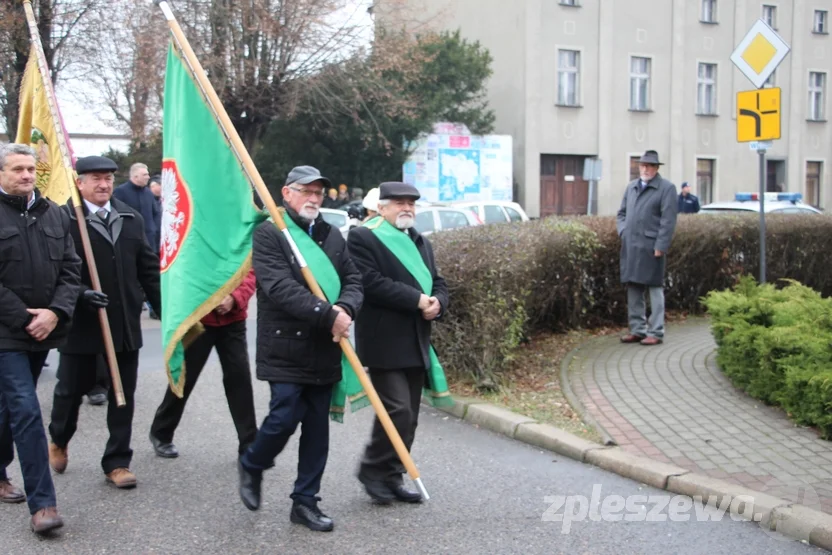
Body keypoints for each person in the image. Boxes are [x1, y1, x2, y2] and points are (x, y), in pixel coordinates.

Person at [237, 165, 362, 531]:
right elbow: (279, 288)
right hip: (285, 345)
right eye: (305, 191)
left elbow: (353, 280)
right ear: (286, 193)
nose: (313, 198)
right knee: (284, 415)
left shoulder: (333, 235)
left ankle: (305, 501)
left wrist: (347, 308)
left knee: (316, 428)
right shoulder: (270, 234)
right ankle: (253, 463)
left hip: (325, 346)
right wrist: (328, 314)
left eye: (318, 193)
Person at [47, 155, 162, 489]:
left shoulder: (130, 218)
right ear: (79, 182)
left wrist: (166, 310)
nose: (103, 185)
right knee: (69, 392)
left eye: (109, 178)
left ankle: (117, 461)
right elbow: (52, 272)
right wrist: (81, 294)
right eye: (95, 178)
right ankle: (59, 437)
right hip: (80, 324)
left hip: (123, 323)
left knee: (122, 394)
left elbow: (148, 270)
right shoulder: (64, 219)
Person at [347, 181, 450, 504]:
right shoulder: (363, 236)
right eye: (399, 203)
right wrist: (417, 300)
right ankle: (371, 469)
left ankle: (391, 475)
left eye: (411, 203)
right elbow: (371, 283)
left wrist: (438, 303)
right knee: (398, 410)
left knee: (410, 416)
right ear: (382, 208)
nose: (407, 208)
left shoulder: (421, 241)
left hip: (417, 340)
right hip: (383, 340)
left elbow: (438, 281)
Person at [0, 143, 82, 534]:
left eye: (31, 169)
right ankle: (44, 506)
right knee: (27, 410)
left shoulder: (55, 214)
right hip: (5, 332)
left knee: (10, 408)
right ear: (1, 174)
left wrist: (55, 312)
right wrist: (23, 317)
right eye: (17, 169)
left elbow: (71, 268)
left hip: (44, 328)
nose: (27, 175)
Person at [149, 269, 258, 458]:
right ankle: (161, 432)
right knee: (185, 377)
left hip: (233, 319)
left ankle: (249, 443)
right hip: (199, 318)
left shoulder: (241, 238)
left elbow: (250, 270)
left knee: (239, 379)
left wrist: (234, 297)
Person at [617, 150, 678, 346]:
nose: (645, 169)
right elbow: (622, 214)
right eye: (642, 165)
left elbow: (668, 221)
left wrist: (661, 245)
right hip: (631, 246)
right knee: (633, 286)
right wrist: (623, 231)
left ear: (656, 168)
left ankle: (656, 331)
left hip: (652, 247)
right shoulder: (632, 187)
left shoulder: (666, 189)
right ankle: (637, 329)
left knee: (654, 288)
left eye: (649, 166)